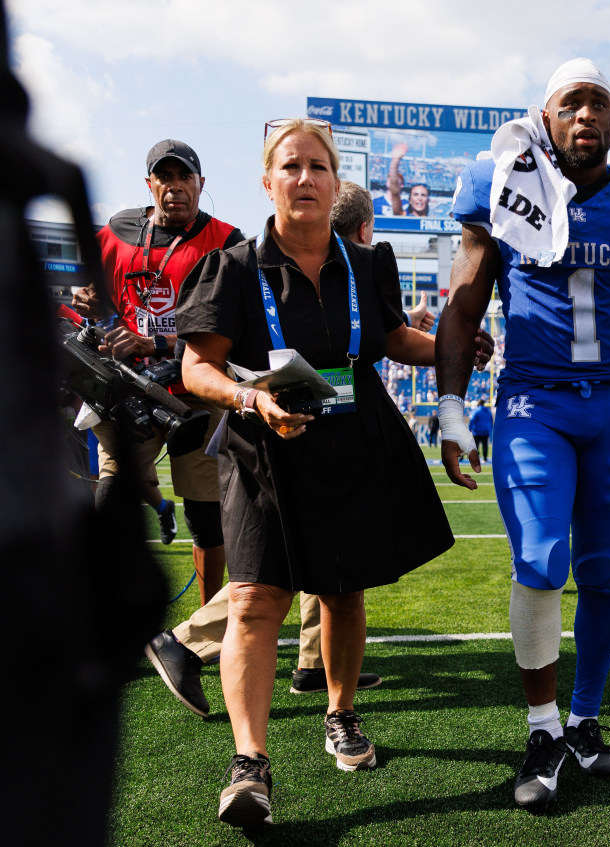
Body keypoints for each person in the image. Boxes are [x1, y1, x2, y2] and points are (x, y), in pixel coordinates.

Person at [435, 58, 610, 811]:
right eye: (572, 104)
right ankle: (540, 727)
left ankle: (585, 719)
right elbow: (464, 306)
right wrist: (453, 405)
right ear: (546, 118)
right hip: (535, 404)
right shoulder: (499, 187)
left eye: (599, 103)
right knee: (537, 559)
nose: (587, 115)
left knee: (600, 570)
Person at [175, 118, 456, 827]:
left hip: (352, 440)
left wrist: (453, 344)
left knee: (342, 591)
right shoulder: (235, 268)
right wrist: (250, 397)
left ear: (337, 185)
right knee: (253, 600)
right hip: (262, 446)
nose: (304, 178)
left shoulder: (368, 263)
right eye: (290, 166)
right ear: (268, 181)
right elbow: (196, 365)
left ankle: (341, 711)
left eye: (318, 167)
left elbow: (393, 340)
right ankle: (250, 764)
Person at [70, 140, 243, 605]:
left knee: (205, 516)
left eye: (184, 177)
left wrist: (162, 343)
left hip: (196, 388)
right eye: (164, 177)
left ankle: (203, 620)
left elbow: (237, 324)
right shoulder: (118, 232)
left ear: (201, 184)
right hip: (129, 390)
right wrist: (90, 301)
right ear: (150, 185)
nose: (175, 187)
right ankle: (99, 612)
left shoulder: (228, 241)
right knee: (111, 497)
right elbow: (93, 295)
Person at [331, 180, 436, 330]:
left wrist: (407, 318)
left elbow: (370, 319)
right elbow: (398, 342)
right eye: (372, 224)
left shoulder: (312, 262)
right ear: (363, 231)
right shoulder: (373, 270)